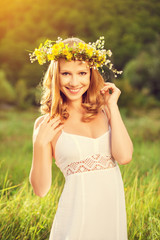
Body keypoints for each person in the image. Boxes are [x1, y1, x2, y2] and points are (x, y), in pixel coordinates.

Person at [29, 36, 133, 240]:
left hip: (111, 218)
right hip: (75, 223)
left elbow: (124, 157)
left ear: (91, 74)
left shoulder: (105, 110)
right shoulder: (47, 124)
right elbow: (41, 190)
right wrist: (40, 143)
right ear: (55, 76)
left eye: (82, 73)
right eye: (66, 73)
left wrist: (113, 107)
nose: (74, 82)